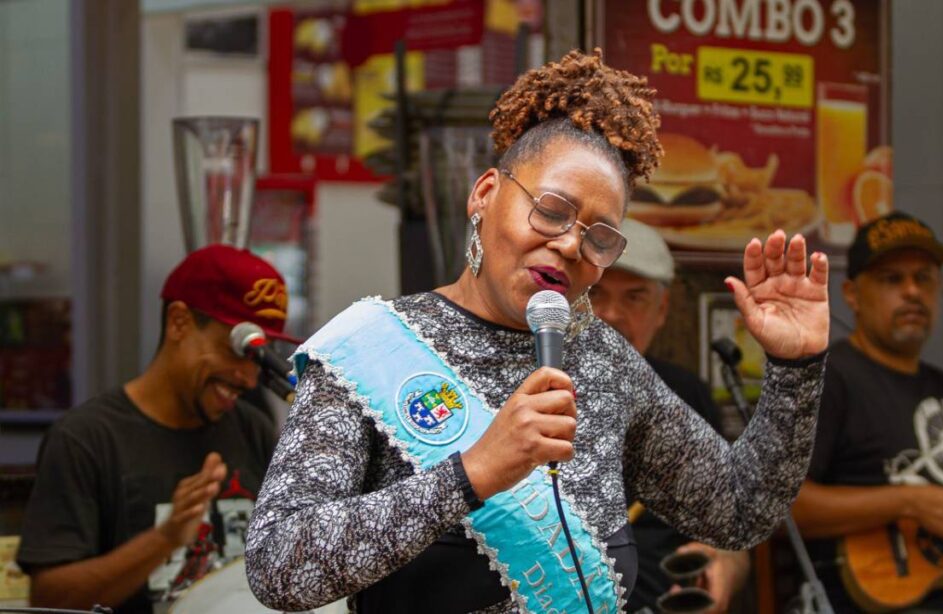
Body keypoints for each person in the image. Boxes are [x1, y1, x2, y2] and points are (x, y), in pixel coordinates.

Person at [246, 49, 830, 613]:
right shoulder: (368, 348)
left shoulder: (603, 359)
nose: (572, 244)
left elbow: (737, 509)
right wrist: (472, 473)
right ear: (485, 194)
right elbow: (278, 566)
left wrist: (794, 370)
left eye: (600, 237)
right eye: (551, 210)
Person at [17, 245, 296, 613]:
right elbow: (50, 598)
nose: (247, 377)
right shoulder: (86, 439)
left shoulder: (252, 430)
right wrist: (165, 538)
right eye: (234, 350)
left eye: (258, 357)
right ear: (179, 322)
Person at [791, 212, 943, 613]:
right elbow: (784, 506)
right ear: (851, 294)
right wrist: (909, 502)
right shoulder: (828, 378)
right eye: (892, 279)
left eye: (925, 277)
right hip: (865, 602)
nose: (913, 291)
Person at [590, 218, 750, 614]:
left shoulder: (686, 395)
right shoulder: (534, 389)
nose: (611, 314)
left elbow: (729, 536)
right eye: (596, 293)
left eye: (635, 297)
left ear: (661, 311)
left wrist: (725, 564)